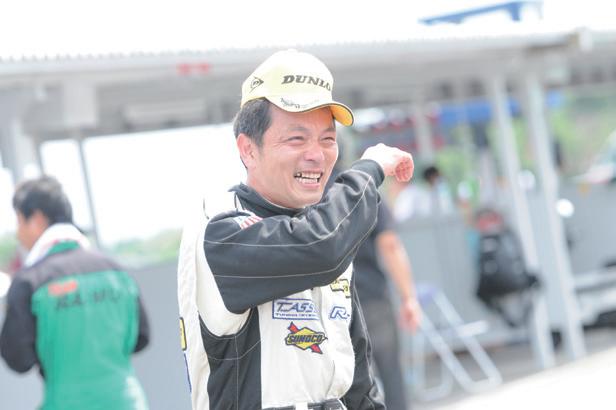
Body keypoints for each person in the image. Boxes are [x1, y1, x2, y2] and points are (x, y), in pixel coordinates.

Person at [177, 49, 414, 409]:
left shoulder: (325, 227)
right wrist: (369, 171)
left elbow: (358, 385)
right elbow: (318, 248)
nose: (317, 155)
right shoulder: (220, 229)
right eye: (296, 139)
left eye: (327, 139)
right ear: (248, 149)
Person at [0, 176, 150, 410]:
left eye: (19, 221)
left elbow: (18, 359)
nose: (18, 234)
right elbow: (141, 339)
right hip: (128, 403)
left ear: (37, 219)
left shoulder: (29, 282)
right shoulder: (116, 271)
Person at [354, 201, 421, 410]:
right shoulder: (365, 193)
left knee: (348, 380)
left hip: (329, 303)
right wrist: (408, 298)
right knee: (390, 371)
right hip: (370, 296)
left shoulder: (310, 192)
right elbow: (390, 245)